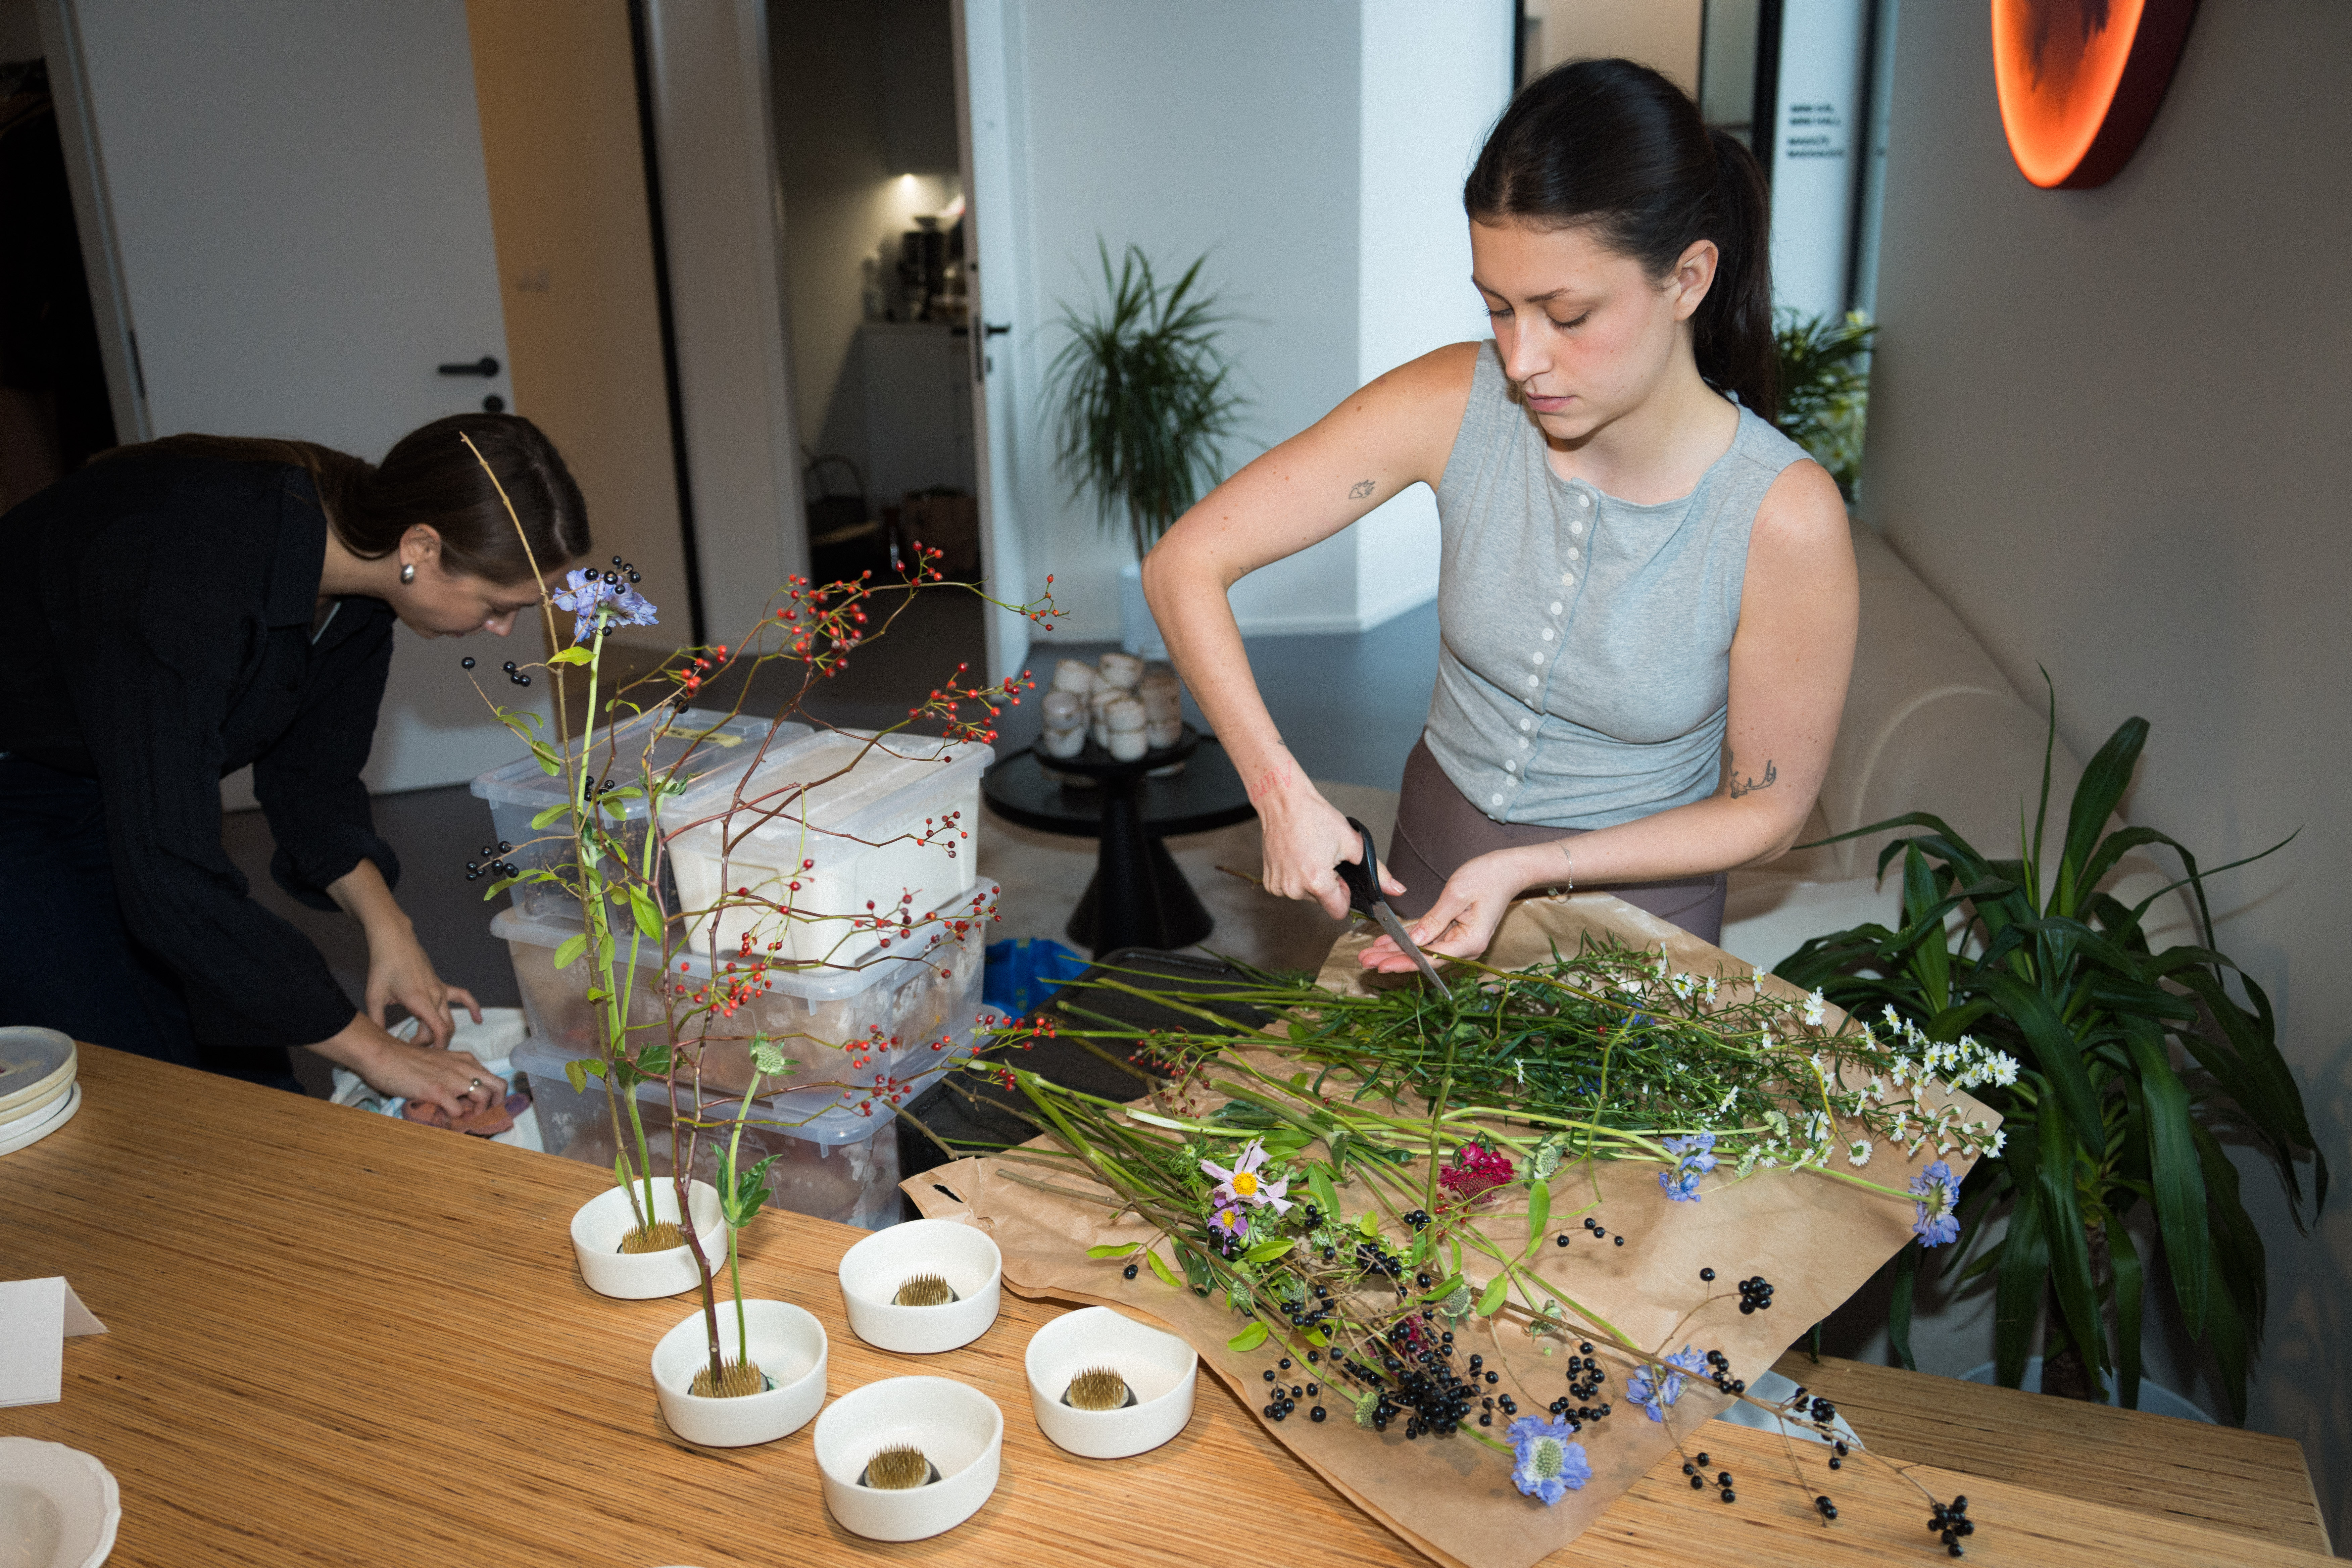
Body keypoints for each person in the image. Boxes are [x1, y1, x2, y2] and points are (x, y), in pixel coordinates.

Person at [1144, 59, 1858, 972]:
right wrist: (1279, 790)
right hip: (1431, 862)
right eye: (1498, 309)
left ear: (1688, 280)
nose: (1521, 360)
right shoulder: (1454, 399)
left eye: (1567, 315)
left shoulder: (1781, 515)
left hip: (1641, 921)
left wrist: (1530, 868)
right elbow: (1185, 562)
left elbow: (1768, 812)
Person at [0, 413, 590, 1117]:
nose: (502, 630)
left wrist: (389, 927)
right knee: (109, 1067)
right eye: (499, 605)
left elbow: (311, 785)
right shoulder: (185, 571)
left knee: (238, 1061)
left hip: (103, 766)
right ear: (422, 546)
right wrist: (378, 1052)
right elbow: (170, 875)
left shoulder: (365, 588)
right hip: (14, 776)